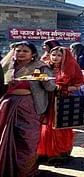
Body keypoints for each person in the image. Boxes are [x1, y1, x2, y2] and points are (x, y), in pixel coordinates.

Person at [0, 41, 56, 177]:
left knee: (28, 140)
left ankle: (25, 170)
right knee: (6, 139)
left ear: (33, 54)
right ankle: (6, 168)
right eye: (18, 50)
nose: (21, 53)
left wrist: (42, 77)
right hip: (7, 107)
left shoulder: (40, 67)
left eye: (25, 51)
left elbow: (51, 87)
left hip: (30, 108)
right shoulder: (6, 66)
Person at [37, 47, 84, 165]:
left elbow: (77, 85)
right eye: (53, 55)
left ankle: (59, 154)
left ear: (65, 56)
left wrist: (62, 88)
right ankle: (43, 153)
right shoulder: (44, 67)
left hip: (62, 102)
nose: (55, 57)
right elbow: (35, 78)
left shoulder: (71, 67)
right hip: (45, 101)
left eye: (59, 55)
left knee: (60, 128)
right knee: (44, 128)